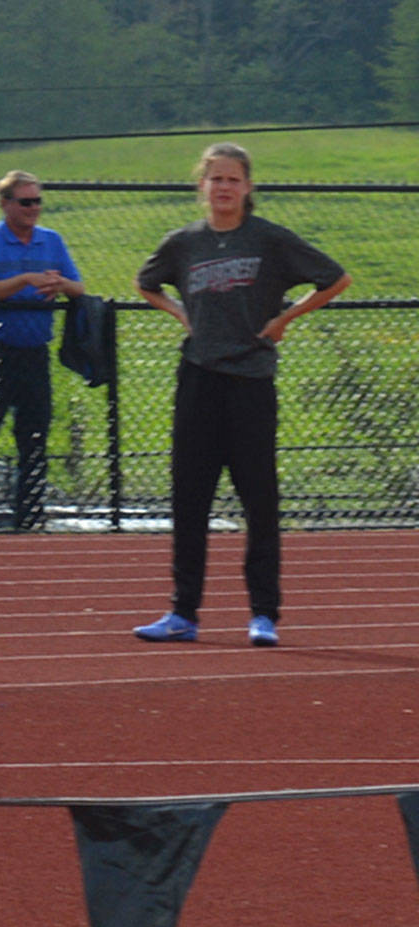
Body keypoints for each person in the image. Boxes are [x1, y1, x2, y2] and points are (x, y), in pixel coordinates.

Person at [130, 142, 350, 647]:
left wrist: (284, 319)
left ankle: (263, 615)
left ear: (248, 186)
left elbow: (336, 278)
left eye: (233, 179)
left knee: (259, 500)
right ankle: (183, 613)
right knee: (190, 498)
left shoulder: (268, 239)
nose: (224, 187)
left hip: (251, 381)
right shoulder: (184, 243)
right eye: (216, 179)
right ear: (202, 186)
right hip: (198, 380)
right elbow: (146, 283)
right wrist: (180, 314)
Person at [0, 171, 83, 530]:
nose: (33, 208)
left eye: (37, 201)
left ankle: (29, 519)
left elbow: (79, 287)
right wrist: (25, 280)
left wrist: (60, 284)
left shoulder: (51, 241)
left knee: (34, 438)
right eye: (26, 201)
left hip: (34, 352)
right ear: (5, 204)